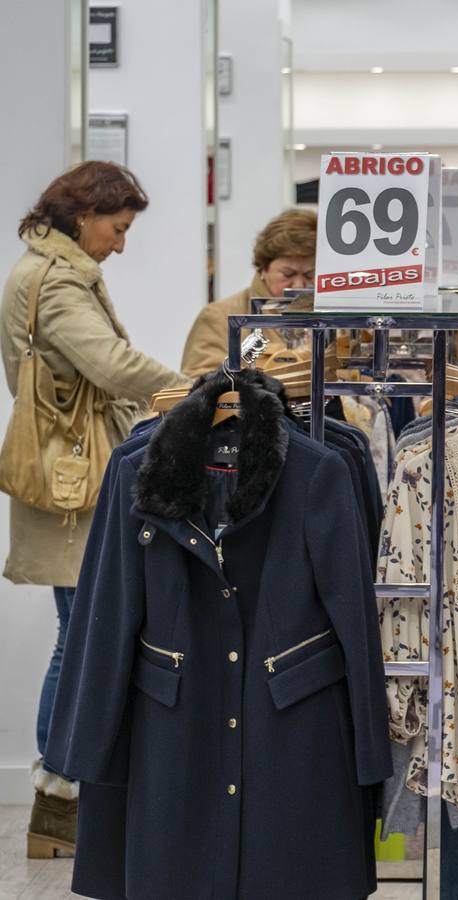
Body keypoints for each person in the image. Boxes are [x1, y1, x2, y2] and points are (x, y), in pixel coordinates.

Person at [1, 161, 183, 858]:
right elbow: (109, 363)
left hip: (70, 472)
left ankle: (65, 800)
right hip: (77, 479)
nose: (121, 242)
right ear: (85, 216)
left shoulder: (46, 271)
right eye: (119, 226)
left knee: (79, 635)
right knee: (84, 640)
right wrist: (196, 387)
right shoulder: (57, 282)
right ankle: (62, 795)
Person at [180, 208, 316, 377]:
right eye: (288, 274)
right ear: (263, 269)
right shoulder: (218, 317)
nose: (299, 284)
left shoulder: (332, 316)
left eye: (310, 275)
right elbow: (198, 386)